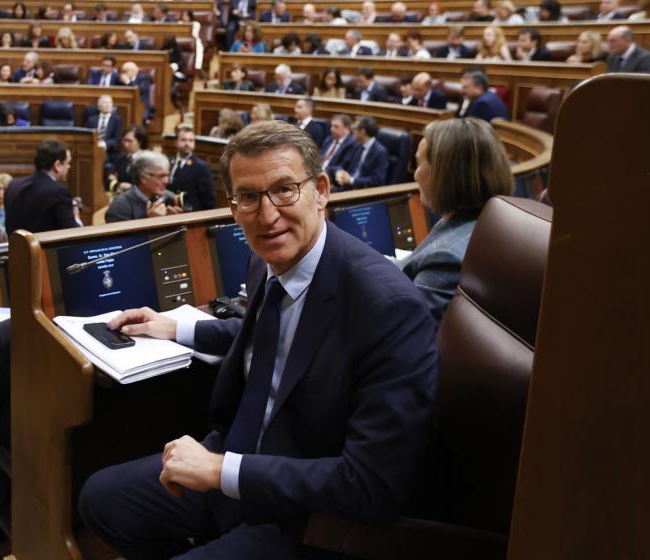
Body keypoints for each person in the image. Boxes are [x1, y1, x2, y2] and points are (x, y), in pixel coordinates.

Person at [80, 121, 437, 558]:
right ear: (232, 206)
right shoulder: (265, 259)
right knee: (100, 498)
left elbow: (371, 484)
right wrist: (175, 327)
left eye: (285, 189)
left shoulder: (388, 308)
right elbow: (275, 336)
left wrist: (221, 470)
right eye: (248, 197)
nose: (267, 216)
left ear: (321, 190)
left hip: (306, 512)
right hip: (235, 460)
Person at [400, 117, 513, 324]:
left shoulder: (446, 258)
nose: (415, 175)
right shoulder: (480, 221)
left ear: (444, 174)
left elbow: (403, 329)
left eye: (418, 163)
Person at [3, 139, 80, 233]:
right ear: (58, 165)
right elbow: (72, 234)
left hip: (15, 247)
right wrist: (76, 218)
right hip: (44, 247)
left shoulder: (13, 185)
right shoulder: (58, 191)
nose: (69, 167)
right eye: (68, 163)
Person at [105, 150, 182, 222]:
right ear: (143, 178)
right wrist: (150, 223)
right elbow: (122, 236)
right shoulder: (120, 207)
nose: (166, 181)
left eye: (167, 176)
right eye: (161, 176)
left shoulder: (170, 198)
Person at [167, 125, 215, 212]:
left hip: (189, 214)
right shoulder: (169, 162)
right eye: (183, 140)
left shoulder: (201, 167)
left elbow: (209, 201)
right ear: (175, 142)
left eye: (191, 140)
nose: (187, 143)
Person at [333, 115, 389, 190]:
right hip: (346, 187)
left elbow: (377, 179)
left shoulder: (380, 152)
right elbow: (343, 164)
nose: (352, 131)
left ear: (362, 131)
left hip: (364, 192)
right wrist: (339, 172)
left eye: (355, 128)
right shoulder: (357, 145)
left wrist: (352, 180)